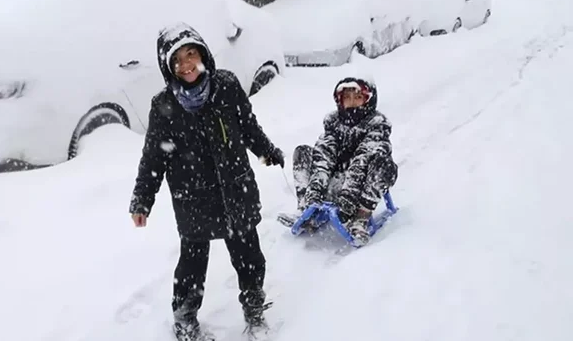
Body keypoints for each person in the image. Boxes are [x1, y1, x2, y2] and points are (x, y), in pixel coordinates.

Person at [128, 23, 285, 341]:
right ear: (168, 67)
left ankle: (254, 309)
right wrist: (142, 199)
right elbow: (153, 159)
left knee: (250, 257)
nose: (186, 65)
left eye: (191, 54)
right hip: (193, 198)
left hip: (235, 189)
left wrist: (265, 151)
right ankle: (185, 319)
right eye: (177, 61)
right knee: (192, 266)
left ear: (203, 55)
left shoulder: (226, 85)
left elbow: (248, 126)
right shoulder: (164, 106)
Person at [281, 77, 398, 246]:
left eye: (357, 97)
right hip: (333, 181)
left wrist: (350, 196)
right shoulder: (334, 123)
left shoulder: (377, 126)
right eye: (347, 98)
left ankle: (361, 218)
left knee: (384, 165)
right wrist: (314, 191)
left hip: (360, 188)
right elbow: (324, 156)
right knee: (303, 152)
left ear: (368, 100)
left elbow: (362, 159)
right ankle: (305, 209)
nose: (352, 103)